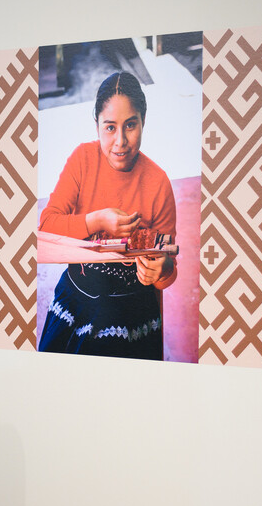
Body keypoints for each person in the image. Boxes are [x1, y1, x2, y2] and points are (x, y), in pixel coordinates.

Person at [38, 71, 177, 359]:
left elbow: (168, 268)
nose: (121, 141)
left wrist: (160, 269)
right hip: (78, 301)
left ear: (143, 121)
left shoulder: (158, 182)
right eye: (110, 127)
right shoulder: (82, 160)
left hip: (133, 314)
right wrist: (95, 221)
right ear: (97, 125)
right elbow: (47, 226)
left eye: (131, 125)